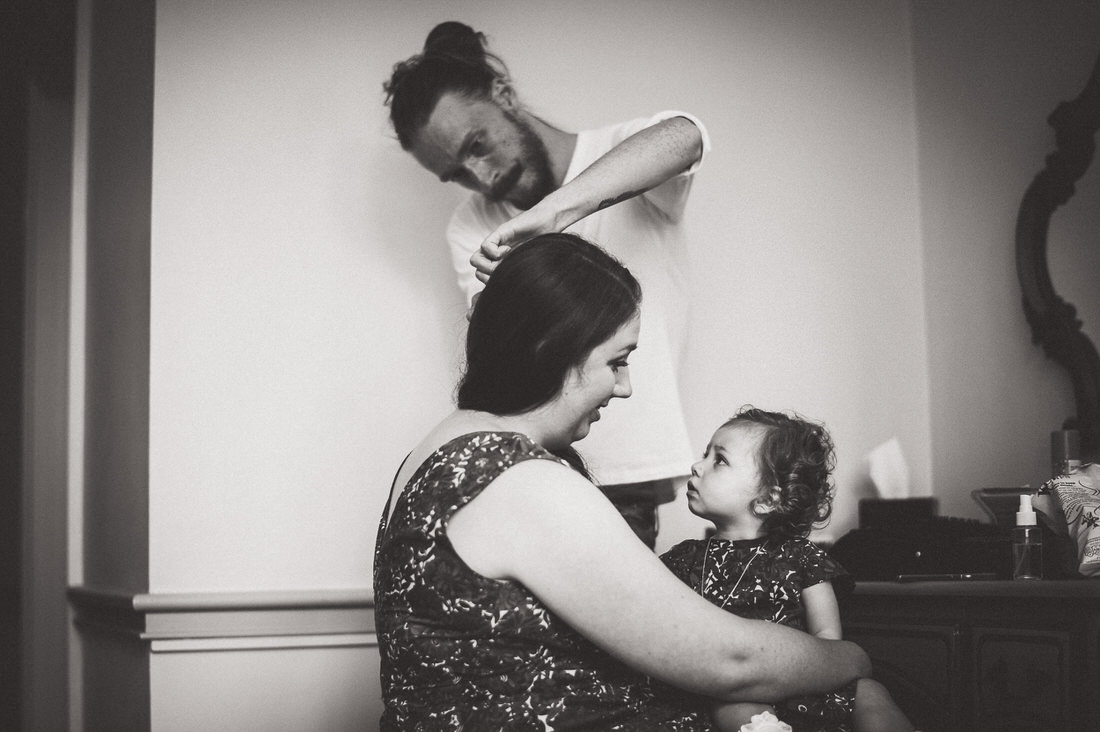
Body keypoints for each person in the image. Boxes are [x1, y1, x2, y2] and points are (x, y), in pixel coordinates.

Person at [374, 234, 872, 730]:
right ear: (552, 349)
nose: (625, 386)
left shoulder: (443, 450)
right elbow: (731, 663)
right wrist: (853, 659)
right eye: (617, 361)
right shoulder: (518, 481)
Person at [383, 21, 708, 547]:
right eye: (458, 173)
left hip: (628, 472)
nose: (482, 177)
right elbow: (517, 356)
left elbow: (687, 135)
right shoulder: (470, 226)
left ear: (504, 96)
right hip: (528, 469)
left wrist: (554, 212)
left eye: (478, 145)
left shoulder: (620, 152)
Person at [661, 407, 915, 732]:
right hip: (734, 688)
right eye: (705, 455)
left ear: (768, 499)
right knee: (732, 706)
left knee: (871, 692)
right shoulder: (683, 560)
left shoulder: (802, 556)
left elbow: (828, 641)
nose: (697, 466)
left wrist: (809, 679)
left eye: (719, 460)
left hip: (801, 682)